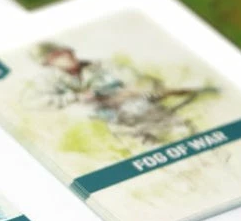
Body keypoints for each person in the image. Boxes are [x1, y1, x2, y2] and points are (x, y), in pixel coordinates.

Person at [29, 42, 213, 145]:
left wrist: (129, 91)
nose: (68, 56)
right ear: (48, 63)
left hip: (146, 112)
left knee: (191, 138)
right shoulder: (49, 81)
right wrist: (75, 97)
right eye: (58, 56)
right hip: (118, 128)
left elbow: (143, 81)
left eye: (68, 52)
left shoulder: (103, 66)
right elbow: (33, 102)